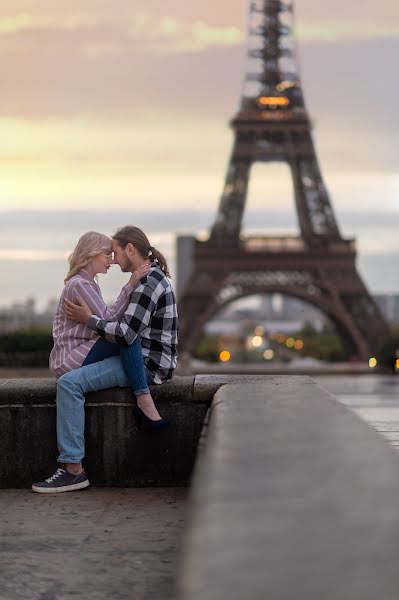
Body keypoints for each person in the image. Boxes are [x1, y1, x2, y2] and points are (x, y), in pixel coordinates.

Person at [32, 225, 178, 494]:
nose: (112, 258)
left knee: (118, 341)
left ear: (130, 249)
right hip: (133, 359)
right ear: (90, 255)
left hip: (148, 364)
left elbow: (122, 331)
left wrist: (90, 319)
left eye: (115, 252)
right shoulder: (133, 280)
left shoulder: (147, 282)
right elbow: (117, 326)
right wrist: (125, 290)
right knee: (120, 337)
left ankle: (73, 468)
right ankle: (142, 398)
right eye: (107, 254)